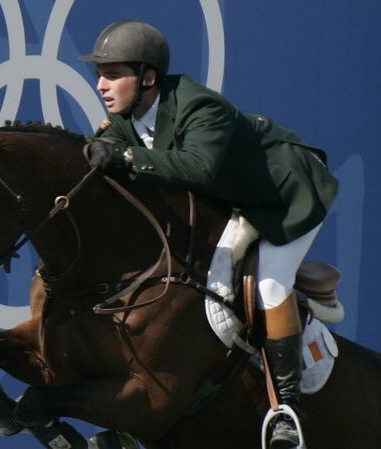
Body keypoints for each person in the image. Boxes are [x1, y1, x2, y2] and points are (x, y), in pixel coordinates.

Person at [81, 19, 338, 449]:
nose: (101, 86)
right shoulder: (124, 120)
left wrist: (124, 157)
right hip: (234, 201)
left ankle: (285, 414)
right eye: (99, 75)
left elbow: (198, 168)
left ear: (147, 78)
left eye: (113, 74)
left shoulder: (200, 107)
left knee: (271, 286)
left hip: (286, 195)